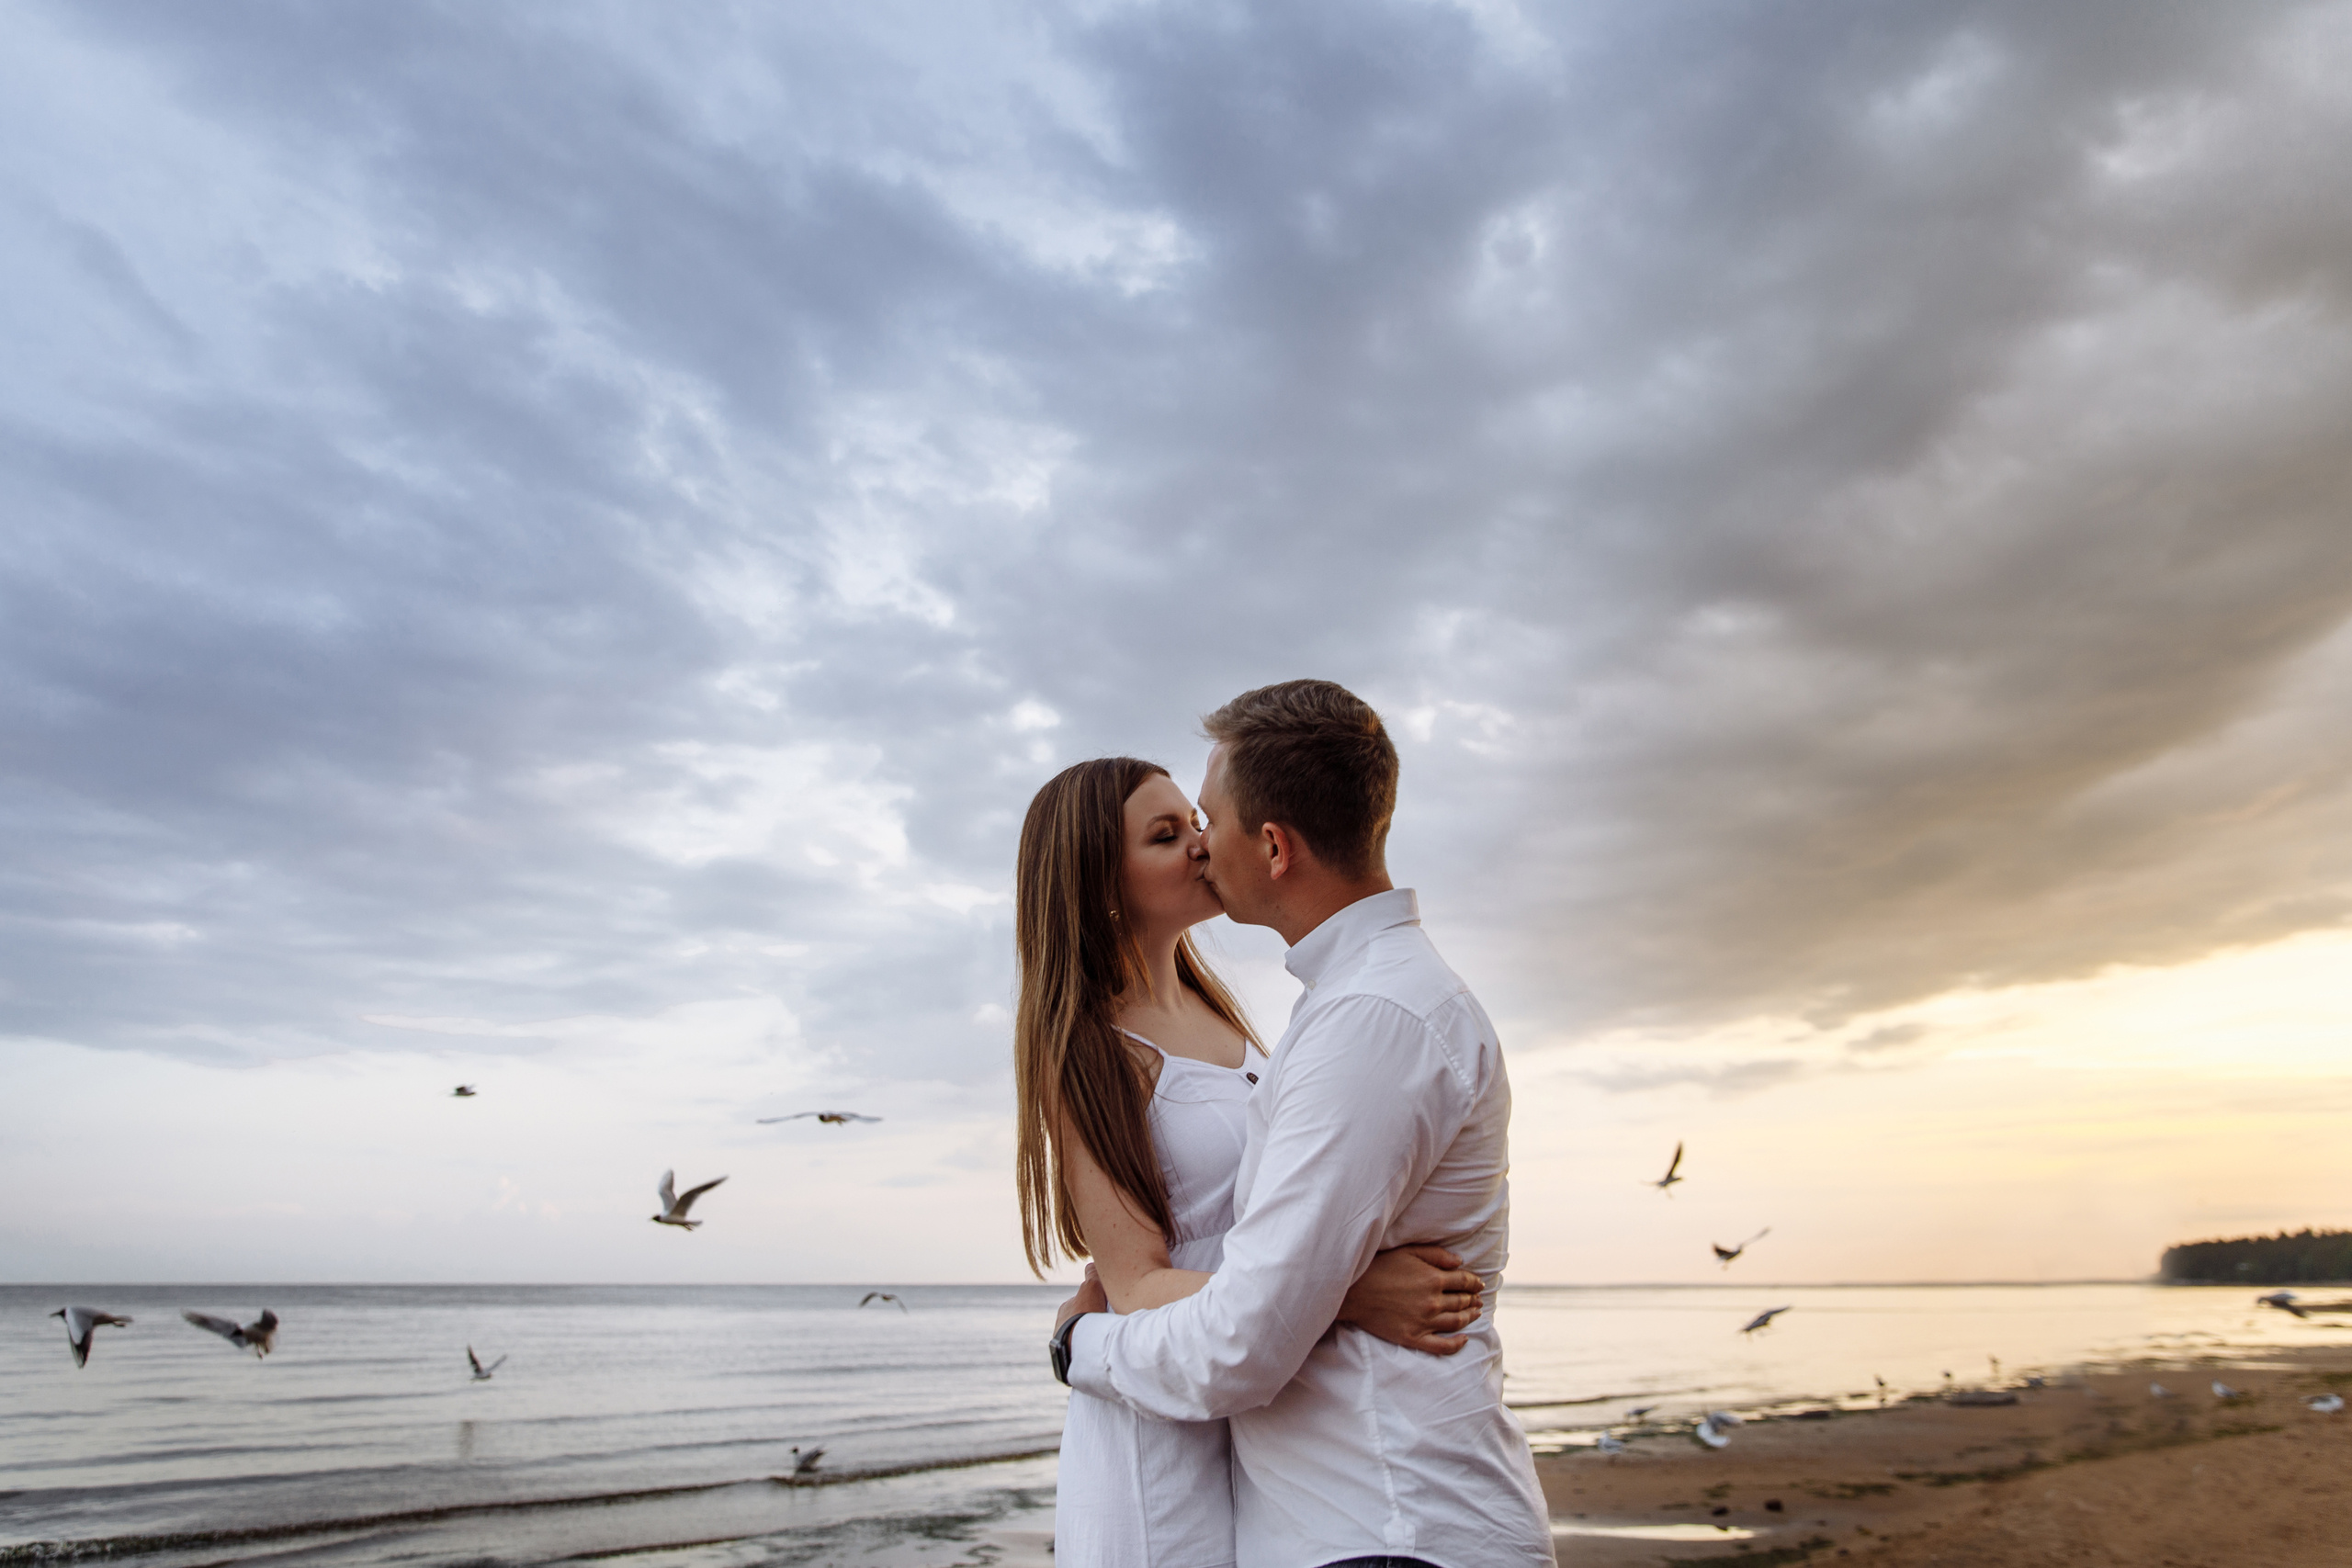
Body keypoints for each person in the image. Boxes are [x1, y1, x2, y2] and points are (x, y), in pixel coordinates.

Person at [1051, 681, 1555, 1568]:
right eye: (1169, 833)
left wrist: (1078, 1344)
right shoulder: (1336, 1012)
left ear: (1274, 846)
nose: (1202, 843)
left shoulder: (1361, 1018)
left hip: (1385, 1520)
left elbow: (1248, 1330)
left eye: (1202, 819)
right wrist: (1339, 1291)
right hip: (1292, 1495)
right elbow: (1221, 1283)